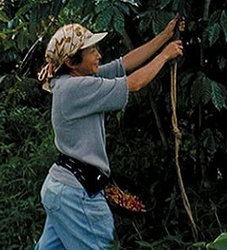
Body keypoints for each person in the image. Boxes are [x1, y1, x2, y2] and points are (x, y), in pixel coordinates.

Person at [34, 16, 184, 250]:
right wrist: (165, 56)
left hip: (60, 190)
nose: (99, 55)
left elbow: (124, 64)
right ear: (72, 62)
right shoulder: (76, 88)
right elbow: (133, 83)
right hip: (77, 195)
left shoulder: (74, 80)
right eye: (92, 51)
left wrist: (165, 36)